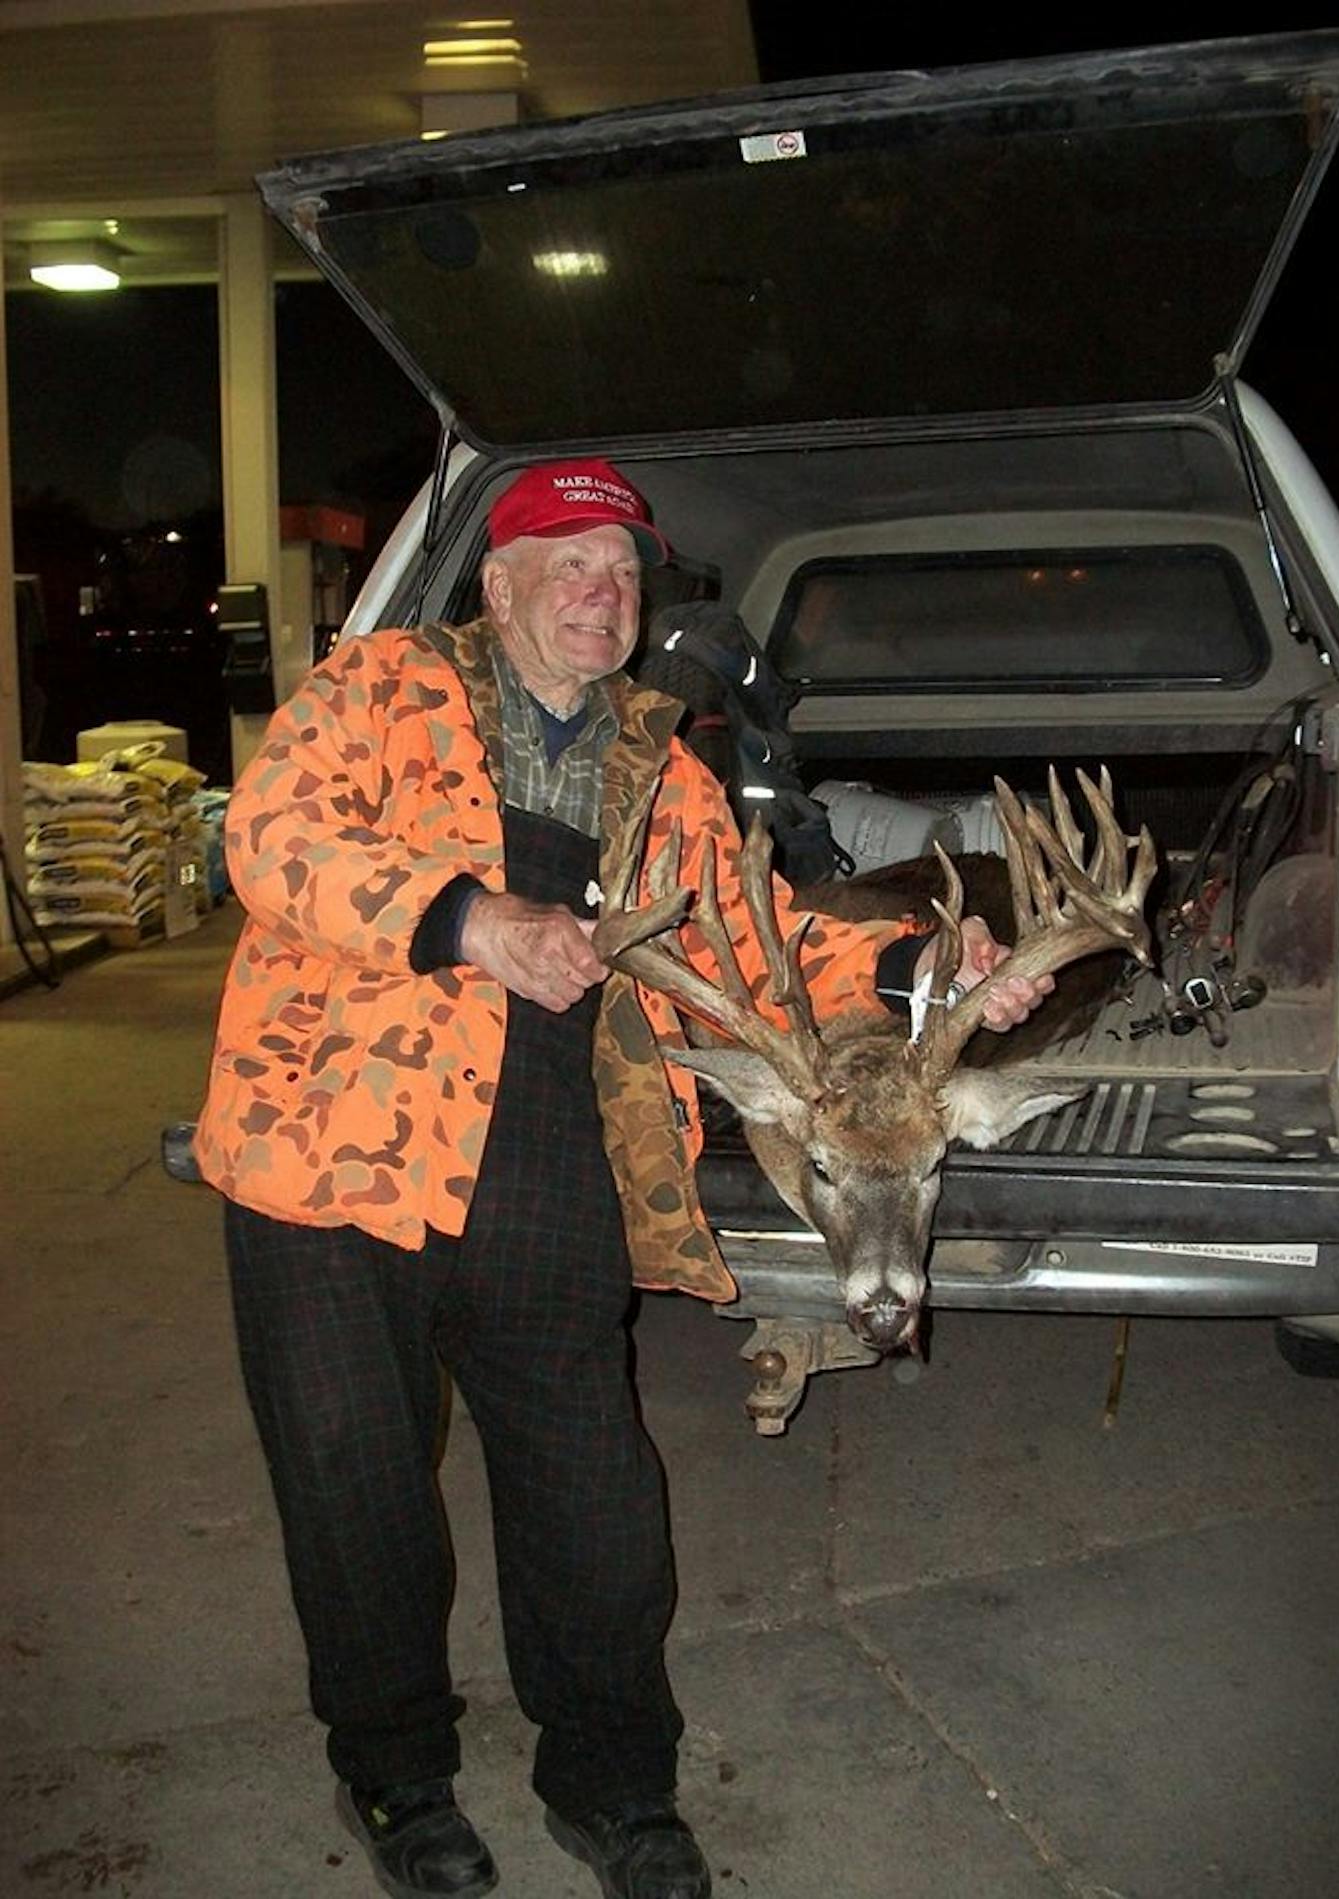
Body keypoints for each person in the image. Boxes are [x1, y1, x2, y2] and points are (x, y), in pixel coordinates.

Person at [195, 458, 1046, 1899]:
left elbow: (753, 941)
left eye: (624, 571)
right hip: (332, 1152)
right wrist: (473, 921)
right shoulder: (377, 691)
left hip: (550, 1148)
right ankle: (398, 1778)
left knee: (593, 1492)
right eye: (570, 561)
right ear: (503, 583)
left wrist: (918, 963)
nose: (603, 590)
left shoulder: (671, 770)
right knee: (358, 1490)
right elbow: (270, 838)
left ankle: (612, 1782)